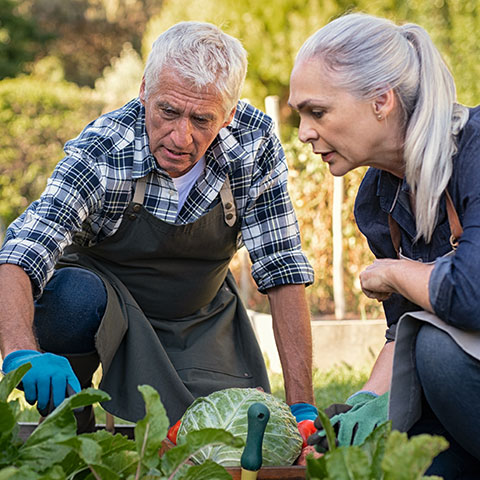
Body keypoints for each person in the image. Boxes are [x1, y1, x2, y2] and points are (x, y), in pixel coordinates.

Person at [0, 21, 317, 439]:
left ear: (230, 114)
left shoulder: (253, 144)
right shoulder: (105, 150)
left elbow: (282, 269)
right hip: (105, 307)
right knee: (72, 298)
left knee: (221, 438)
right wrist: (20, 351)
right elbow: (22, 252)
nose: (181, 136)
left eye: (202, 119)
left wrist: (302, 403)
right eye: (168, 111)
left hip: (199, 314)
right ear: (144, 90)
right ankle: (66, 429)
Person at [289, 11, 480, 479]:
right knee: (405, 465)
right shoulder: (377, 199)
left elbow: (470, 295)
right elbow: (403, 333)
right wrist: (357, 409)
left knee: (437, 351)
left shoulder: (474, 151)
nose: (304, 132)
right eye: (301, 115)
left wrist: (392, 272)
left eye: (318, 111)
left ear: (381, 101)